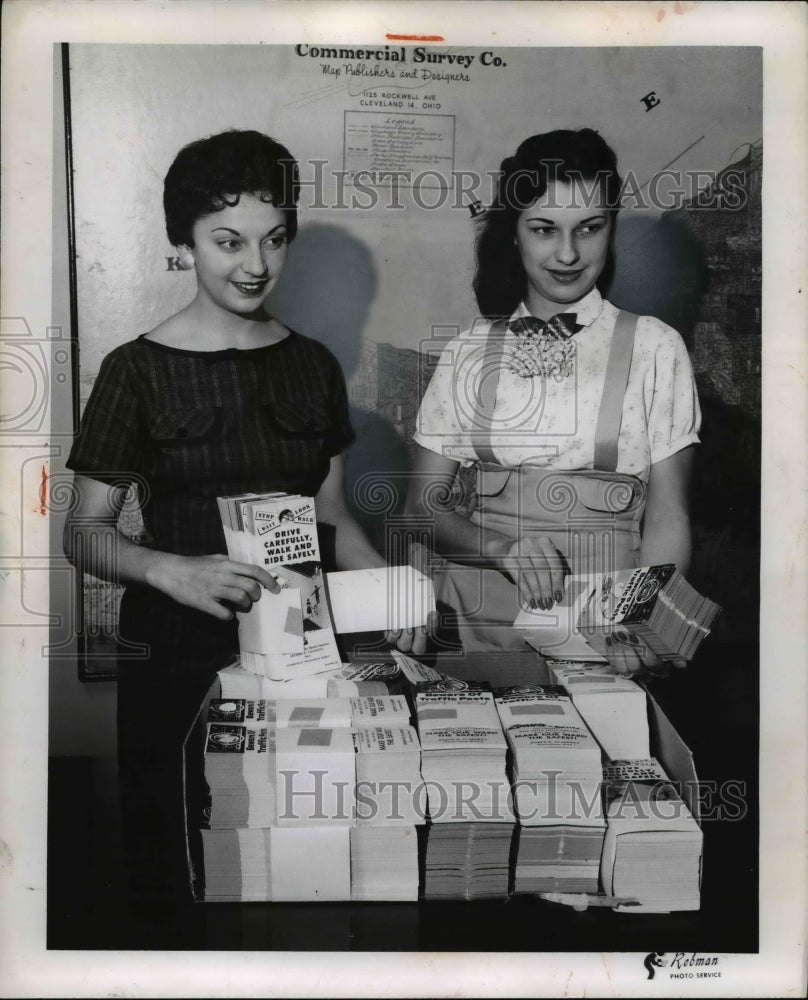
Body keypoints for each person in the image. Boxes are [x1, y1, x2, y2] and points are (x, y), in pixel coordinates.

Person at [63, 129, 427, 903]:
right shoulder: (136, 371)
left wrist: (392, 588)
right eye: (228, 241)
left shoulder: (313, 364)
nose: (255, 265)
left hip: (302, 651)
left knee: (303, 862)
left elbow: (331, 512)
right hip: (175, 658)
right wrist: (171, 570)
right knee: (181, 869)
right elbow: (82, 533)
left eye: (274, 240)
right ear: (184, 243)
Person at [406, 129, 701, 673]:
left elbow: (668, 514)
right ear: (513, 235)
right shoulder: (468, 350)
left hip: (604, 633)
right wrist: (498, 548)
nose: (568, 254)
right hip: (476, 627)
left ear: (610, 228)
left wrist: (641, 626)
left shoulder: (657, 347)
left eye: (589, 228)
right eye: (544, 229)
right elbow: (423, 509)